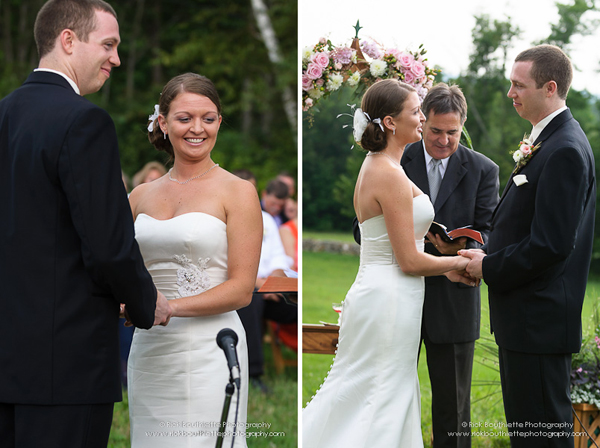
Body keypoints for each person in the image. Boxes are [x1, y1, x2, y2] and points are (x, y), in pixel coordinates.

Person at [0, 0, 170, 446]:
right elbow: (107, 243)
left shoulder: (3, 115)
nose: (116, 59)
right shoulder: (83, 121)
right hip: (64, 360)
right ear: (68, 41)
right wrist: (144, 302)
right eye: (109, 45)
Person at [303, 79, 474, 447]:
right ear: (391, 122)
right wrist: (456, 265)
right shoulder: (390, 174)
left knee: (371, 389)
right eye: (416, 112)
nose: (422, 117)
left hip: (383, 292)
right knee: (380, 393)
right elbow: (409, 261)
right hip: (390, 297)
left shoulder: (376, 163)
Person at [462, 45, 596, 448]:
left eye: (518, 85)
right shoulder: (549, 139)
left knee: (541, 435)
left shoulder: (565, 150)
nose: (510, 93)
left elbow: (550, 245)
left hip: (539, 320)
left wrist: (488, 267)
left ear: (550, 87)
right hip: (528, 320)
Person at [127, 73, 262, 448]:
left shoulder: (238, 192)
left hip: (212, 347)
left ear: (219, 121)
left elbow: (241, 288)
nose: (197, 128)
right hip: (150, 348)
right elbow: (115, 266)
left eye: (209, 117)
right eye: (185, 118)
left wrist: (168, 307)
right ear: (163, 123)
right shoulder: (138, 196)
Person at [400, 83, 499, 447]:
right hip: (398, 295)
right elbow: (361, 229)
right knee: (391, 400)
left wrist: (461, 245)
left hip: (454, 302)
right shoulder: (395, 159)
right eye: (436, 131)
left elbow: (491, 230)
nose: (443, 140)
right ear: (423, 123)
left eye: (452, 133)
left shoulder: (484, 169)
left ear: (462, 126)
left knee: (453, 410)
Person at [234, 170, 296, 394]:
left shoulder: (267, 219)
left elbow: (279, 258)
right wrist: (261, 285)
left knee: (297, 303)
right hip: (244, 290)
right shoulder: (221, 220)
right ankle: (254, 373)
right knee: (250, 300)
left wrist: (275, 283)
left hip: (269, 287)